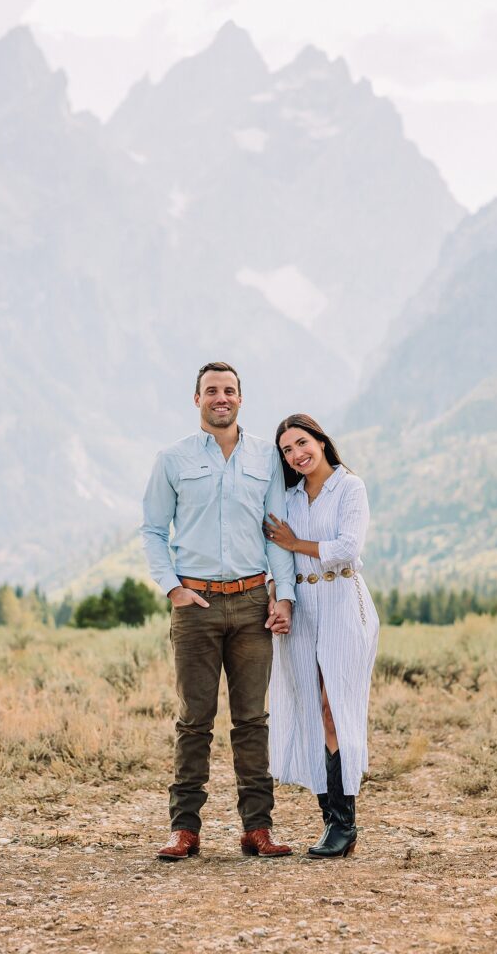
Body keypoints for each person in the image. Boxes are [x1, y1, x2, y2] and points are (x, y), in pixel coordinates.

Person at [141, 361, 296, 861]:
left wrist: (283, 595)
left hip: (253, 604)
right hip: (196, 605)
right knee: (194, 721)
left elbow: (275, 532)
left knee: (252, 720)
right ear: (197, 399)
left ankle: (258, 828)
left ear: (240, 398)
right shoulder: (173, 459)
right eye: (211, 390)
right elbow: (153, 530)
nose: (221, 398)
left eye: (229, 390)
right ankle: (184, 829)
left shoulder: (266, 457)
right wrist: (173, 589)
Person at [263, 413, 379, 858]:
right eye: (287, 450)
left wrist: (296, 544)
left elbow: (348, 547)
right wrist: (277, 596)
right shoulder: (289, 499)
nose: (296, 454)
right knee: (311, 709)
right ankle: (330, 820)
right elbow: (273, 555)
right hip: (301, 608)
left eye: (302, 443)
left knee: (335, 708)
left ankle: (344, 824)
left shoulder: (350, 487)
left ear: (321, 441)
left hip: (343, 603)